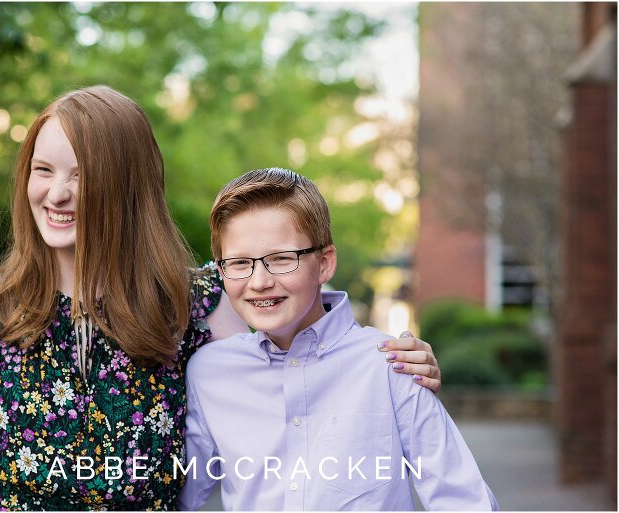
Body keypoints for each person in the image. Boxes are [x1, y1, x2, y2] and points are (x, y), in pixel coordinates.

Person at [0, 86, 442, 511]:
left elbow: (303, 349)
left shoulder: (193, 303)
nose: (57, 193)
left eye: (82, 175)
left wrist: (390, 361)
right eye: (44, 170)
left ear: (127, 186)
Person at [177, 168, 498, 510]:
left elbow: (463, 500)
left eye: (281, 259)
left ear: (325, 263)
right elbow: (179, 497)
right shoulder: (209, 372)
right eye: (240, 263)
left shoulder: (392, 365)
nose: (259, 281)